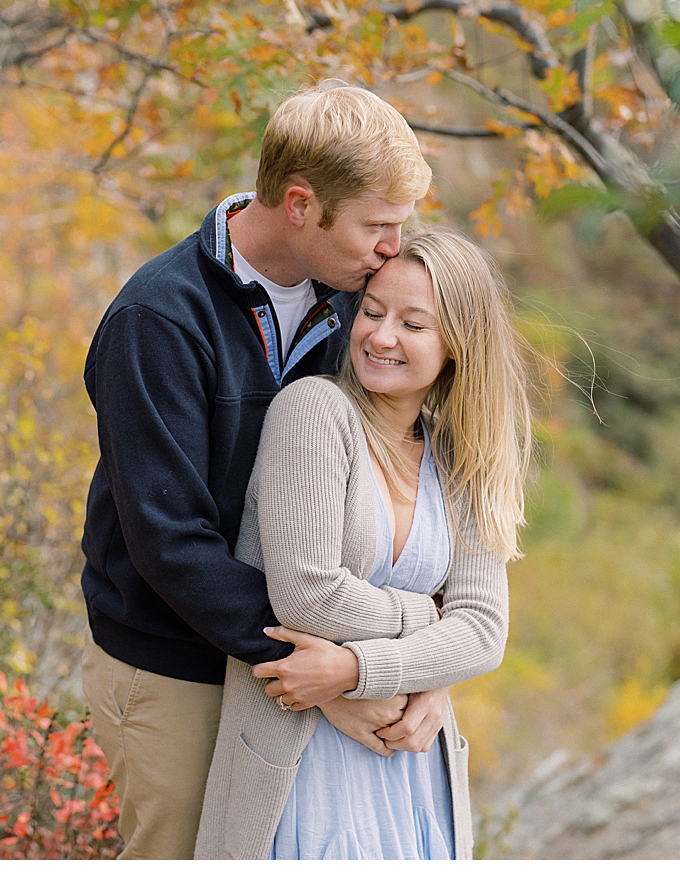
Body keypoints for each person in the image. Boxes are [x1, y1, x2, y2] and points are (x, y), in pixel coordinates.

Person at [78, 81, 435, 859]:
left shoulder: (358, 306)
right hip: (180, 670)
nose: (393, 249)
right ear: (301, 205)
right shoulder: (160, 320)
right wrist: (318, 673)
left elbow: (417, 476)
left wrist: (403, 666)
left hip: (311, 656)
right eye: (378, 226)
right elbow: (171, 541)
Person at [193, 228, 534, 860]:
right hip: (299, 757)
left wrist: (358, 670)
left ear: (458, 343)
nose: (380, 336)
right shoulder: (315, 412)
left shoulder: (463, 456)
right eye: (372, 312)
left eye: (413, 324)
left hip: (410, 755)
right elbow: (308, 596)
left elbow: (484, 630)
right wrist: (425, 619)